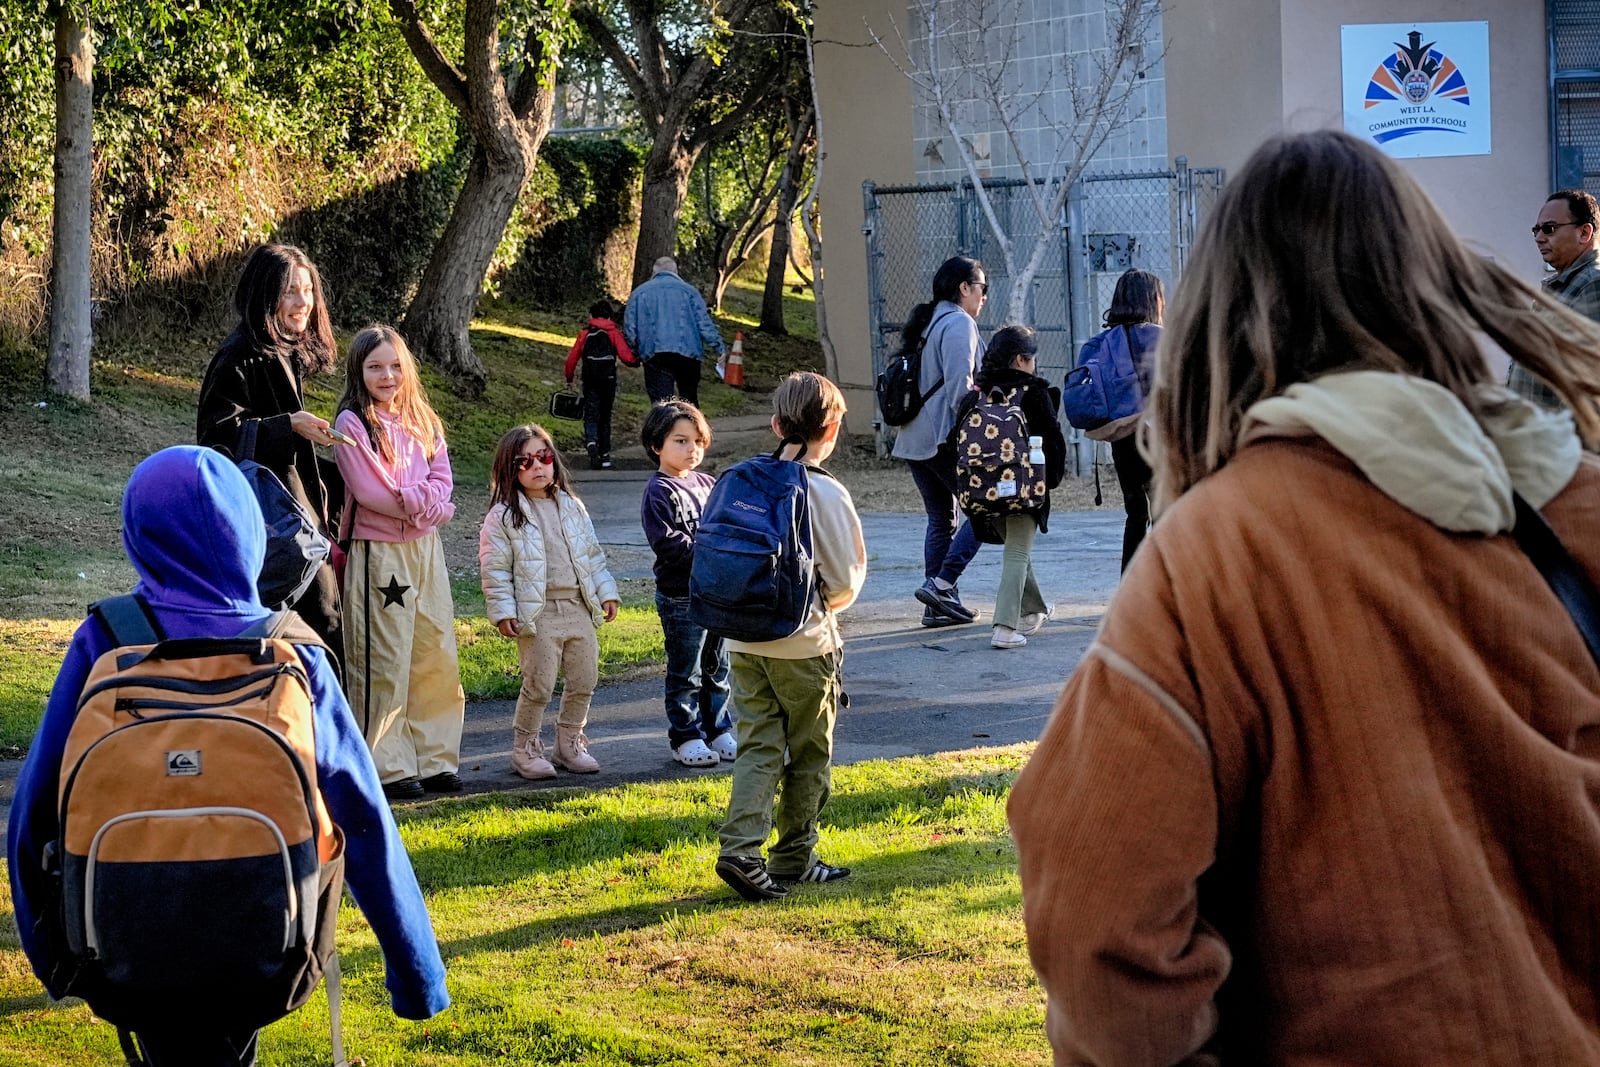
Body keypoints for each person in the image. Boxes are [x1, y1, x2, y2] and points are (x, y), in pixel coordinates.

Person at [1008, 129, 1600, 1064]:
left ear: (1221, 310)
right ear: (1432, 285)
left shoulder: (1212, 557)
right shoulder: (1581, 501)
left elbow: (1101, 921)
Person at [7, 446, 450, 1066]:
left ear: (139, 531)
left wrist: (51, 955)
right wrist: (416, 972)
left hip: (124, 921)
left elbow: (35, 809)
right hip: (269, 920)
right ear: (248, 532)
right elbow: (365, 815)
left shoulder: (105, 640)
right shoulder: (294, 651)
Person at [714, 372, 867, 902]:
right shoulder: (824, 491)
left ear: (777, 424)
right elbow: (846, 579)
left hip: (742, 640)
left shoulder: (741, 478)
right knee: (808, 755)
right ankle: (795, 858)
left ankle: (740, 847)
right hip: (805, 644)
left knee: (758, 745)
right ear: (831, 431)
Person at [333, 325, 465, 802]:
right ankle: (386, 763)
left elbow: (443, 479)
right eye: (374, 367)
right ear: (359, 371)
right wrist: (424, 503)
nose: (386, 376)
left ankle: (436, 759)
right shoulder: (352, 423)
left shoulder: (424, 419)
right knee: (383, 658)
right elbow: (370, 494)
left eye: (394, 365)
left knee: (434, 651)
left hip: (426, 551)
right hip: (379, 552)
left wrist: (428, 504)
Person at [197, 243, 344, 655]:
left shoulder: (282, 351)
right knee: (313, 635)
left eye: (308, 290)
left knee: (321, 631)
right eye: (290, 291)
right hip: (273, 533)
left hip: (299, 525)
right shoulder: (237, 356)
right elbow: (215, 445)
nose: (303, 303)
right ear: (265, 294)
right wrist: (288, 425)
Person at [479, 424, 621, 779]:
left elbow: (592, 556)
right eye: (524, 461)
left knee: (584, 679)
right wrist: (503, 612)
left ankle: (569, 743)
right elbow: (494, 569)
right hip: (537, 612)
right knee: (539, 683)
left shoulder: (571, 506)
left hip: (577, 608)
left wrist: (606, 592)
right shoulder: (504, 516)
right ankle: (525, 749)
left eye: (543, 457)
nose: (537, 467)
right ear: (509, 469)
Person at [953, 326, 1066, 649]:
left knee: (1018, 549)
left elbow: (954, 445)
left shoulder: (975, 396)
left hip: (980, 490)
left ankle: (1034, 611)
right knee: (1017, 552)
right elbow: (1053, 443)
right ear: (1021, 359)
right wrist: (1050, 482)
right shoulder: (1032, 393)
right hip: (1024, 490)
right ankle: (1004, 626)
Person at [891, 256, 988, 628]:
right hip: (942, 438)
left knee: (942, 517)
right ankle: (942, 586)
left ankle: (937, 605)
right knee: (984, 509)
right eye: (982, 289)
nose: (983, 298)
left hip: (914, 438)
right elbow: (960, 390)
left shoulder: (931, 321)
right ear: (964, 288)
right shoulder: (959, 323)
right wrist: (976, 438)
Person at [639, 400, 736, 768]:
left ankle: (718, 728)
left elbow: (726, 525)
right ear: (656, 445)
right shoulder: (659, 491)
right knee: (686, 671)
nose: (691, 449)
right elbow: (667, 543)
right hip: (681, 597)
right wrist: (710, 551)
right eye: (680, 440)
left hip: (716, 594)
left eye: (697, 440)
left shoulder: (709, 484)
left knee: (717, 666)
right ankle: (686, 735)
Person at [1080, 267, 1163, 570]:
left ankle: (1130, 588)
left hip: (1120, 437)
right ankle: (1162, 593)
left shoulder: (1102, 342)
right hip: (1156, 438)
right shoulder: (1159, 338)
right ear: (1152, 300)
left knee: (1136, 514)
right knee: (1164, 514)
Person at [1511, 188, 1600, 408]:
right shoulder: (1565, 286)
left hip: (1563, 439)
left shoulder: (1593, 285)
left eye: (1549, 229)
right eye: (1536, 230)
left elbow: (1591, 386)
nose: (1539, 238)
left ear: (1584, 233)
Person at [623, 256, 726, 404]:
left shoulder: (639, 293)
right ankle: (692, 424)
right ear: (676, 271)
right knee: (689, 399)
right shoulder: (690, 292)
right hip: (689, 354)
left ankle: (666, 425)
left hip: (655, 353)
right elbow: (704, 324)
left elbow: (630, 328)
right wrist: (719, 348)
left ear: (654, 272)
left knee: (662, 403)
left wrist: (634, 352)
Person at [563, 298, 639, 469]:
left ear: (592, 315)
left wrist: (569, 378)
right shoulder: (613, 333)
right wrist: (638, 360)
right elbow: (626, 356)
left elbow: (572, 359)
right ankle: (605, 456)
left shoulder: (585, 333)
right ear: (610, 317)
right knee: (605, 417)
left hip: (590, 381)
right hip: (608, 380)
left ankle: (591, 443)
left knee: (591, 415)